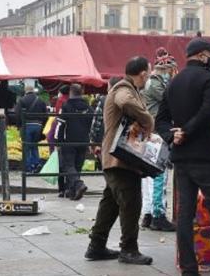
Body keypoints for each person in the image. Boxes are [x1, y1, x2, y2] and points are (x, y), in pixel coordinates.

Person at [156, 38, 210, 276]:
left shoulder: (173, 82)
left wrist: (171, 135)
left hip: (182, 157)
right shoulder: (208, 79)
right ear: (203, 55)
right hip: (205, 154)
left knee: (185, 213)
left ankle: (188, 268)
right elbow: (207, 112)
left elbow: (160, 119)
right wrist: (187, 131)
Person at [85, 57, 154, 265]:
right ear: (142, 73)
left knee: (111, 203)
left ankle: (96, 246)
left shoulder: (129, 88)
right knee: (131, 202)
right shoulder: (124, 88)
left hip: (116, 159)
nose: (149, 77)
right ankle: (129, 250)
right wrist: (148, 119)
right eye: (148, 73)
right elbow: (125, 102)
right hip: (120, 160)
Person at [140, 48, 177, 232]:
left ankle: (148, 213)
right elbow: (170, 101)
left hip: (150, 132)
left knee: (148, 177)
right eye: (172, 71)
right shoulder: (156, 85)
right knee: (158, 175)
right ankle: (158, 214)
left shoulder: (151, 83)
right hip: (157, 134)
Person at [57, 84, 93, 201]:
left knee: (68, 165)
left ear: (71, 92)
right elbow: (91, 125)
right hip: (83, 140)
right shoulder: (88, 107)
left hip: (69, 140)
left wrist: (59, 140)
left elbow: (60, 125)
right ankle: (72, 191)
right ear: (81, 92)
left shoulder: (66, 106)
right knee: (77, 166)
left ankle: (78, 184)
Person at [89, 77, 122, 171]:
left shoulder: (104, 100)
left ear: (110, 86)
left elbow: (96, 121)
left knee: (107, 166)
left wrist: (92, 139)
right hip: (120, 140)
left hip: (105, 138)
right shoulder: (126, 99)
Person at [14, 85, 48, 173]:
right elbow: (46, 115)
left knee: (26, 147)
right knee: (34, 145)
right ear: (33, 91)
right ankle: (36, 165)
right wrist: (42, 126)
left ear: (25, 91)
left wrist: (18, 126)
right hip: (38, 125)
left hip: (27, 125)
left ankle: (28, 167)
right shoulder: (41, 101)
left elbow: (17, 114)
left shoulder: (21, 100)